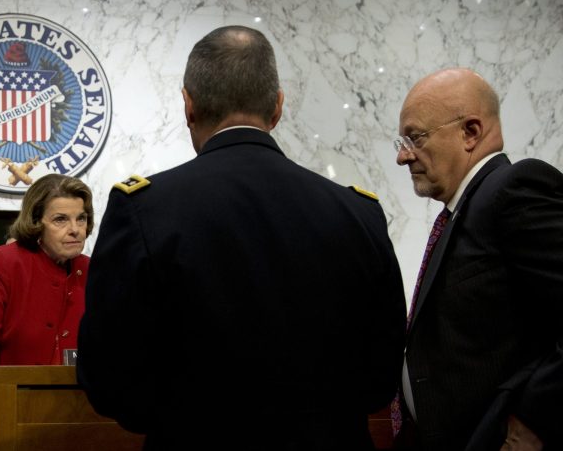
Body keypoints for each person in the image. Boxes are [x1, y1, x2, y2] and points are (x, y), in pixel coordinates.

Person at [77, 26, 406, 450]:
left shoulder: (144, 209)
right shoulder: (358, 213)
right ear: (278, 107)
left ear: (188, 105)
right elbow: (380, 378)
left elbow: (109, 380)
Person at [394, 68, 563, 451]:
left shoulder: (515, 189)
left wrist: (532, 422)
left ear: (470, 132)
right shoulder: (465, 208)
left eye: (415, 137)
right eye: (400, 142)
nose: (403, 156)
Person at [0, 174, 93, 365]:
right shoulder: (5, 263)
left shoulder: (94, 271)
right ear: (36, 223)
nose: (75, 229)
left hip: (77, 393)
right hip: (12, 392)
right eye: (60, 219)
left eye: (81, 218)